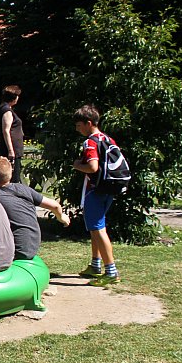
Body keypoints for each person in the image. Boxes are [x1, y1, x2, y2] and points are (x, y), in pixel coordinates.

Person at [72, 105, 120, 286]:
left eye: (79, 125)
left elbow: (92, 167)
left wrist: (77, 165)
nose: (77, 129)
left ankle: (111, 271)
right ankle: (95, 265)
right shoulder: (108, 139)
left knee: (99, 229)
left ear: (88, 123)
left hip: (95, 190)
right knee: (96, 227)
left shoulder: (91, 142)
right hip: (109, 189)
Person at [0, 156, 69, 261]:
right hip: (33, 245)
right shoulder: (24, 189)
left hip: (17, 251)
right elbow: (55, 206)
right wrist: (61, 217)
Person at [0, 85, 25, 183]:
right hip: (11, 149)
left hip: (12, 148)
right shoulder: (7, 111)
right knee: (13, 177)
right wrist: (11, 150)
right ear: (13, 98)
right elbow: (6, 131)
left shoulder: (4, 108)